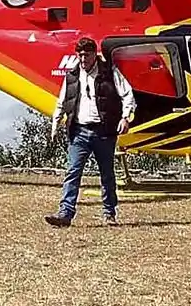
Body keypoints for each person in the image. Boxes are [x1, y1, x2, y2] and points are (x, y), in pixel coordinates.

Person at [45, 36, 136, 227]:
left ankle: (109, 213)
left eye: (87, 55)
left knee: (107, 174)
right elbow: (62, 101)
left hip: (104, 131)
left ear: (95, 54)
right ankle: (65, 214)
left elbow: (127, 94)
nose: (83, 59)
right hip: (79, 131)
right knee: (73, 172)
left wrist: (125, 117)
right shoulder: (72, 75)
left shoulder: (110, 72)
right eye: (80, 55)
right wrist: (55, 123)